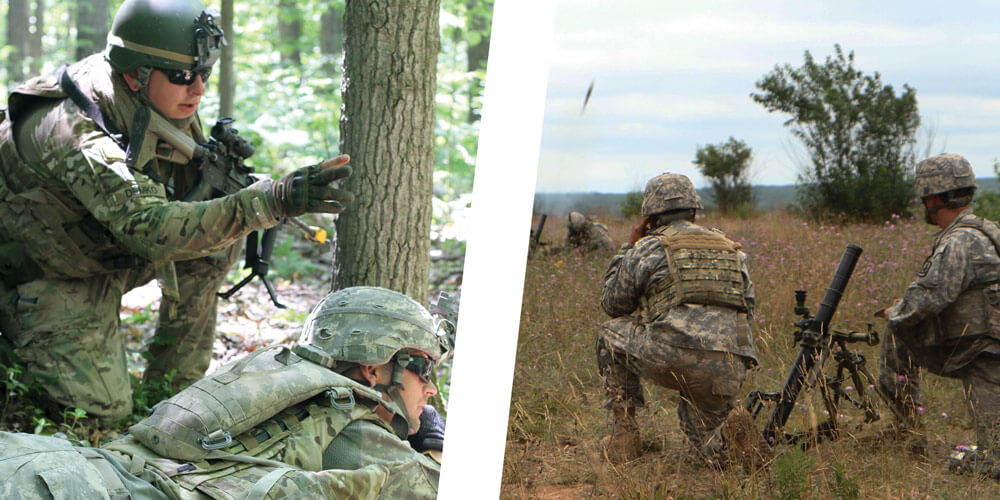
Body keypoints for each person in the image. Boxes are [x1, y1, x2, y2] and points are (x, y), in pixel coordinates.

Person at [0, 0, 354, 424]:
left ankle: (171, 394)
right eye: (184, 76)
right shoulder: (76, 129)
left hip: (96, 249)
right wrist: (267, 201)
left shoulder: (157, 98)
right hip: (41, 271)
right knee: (98, 415)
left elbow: (186, 203)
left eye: (205, 73)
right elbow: (148, 228)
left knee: (216, 239)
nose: (199, 88)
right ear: (136, 72)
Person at [0, 286, 451, 499]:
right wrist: (434, 445)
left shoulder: (273, 368)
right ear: (375, 368)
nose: (430, 387)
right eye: (422, 368)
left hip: (55, 463)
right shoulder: (351, 421)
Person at [596, 172, 758, 464]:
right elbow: (747, 309)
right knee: (709, 449)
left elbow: (613, 304)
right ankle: (730, 436)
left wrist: (627, 249)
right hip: (729, 364)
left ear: (650, 218)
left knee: (611, 333)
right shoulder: (732, 249)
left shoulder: (646, 248)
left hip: (672, 356)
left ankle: (625, 436)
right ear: (695, 211)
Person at [875, 154, 1000, 478]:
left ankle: (909, 433)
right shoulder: (986, 231)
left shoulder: (959, 241)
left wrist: (896, 312)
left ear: (932, 197)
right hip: (984, 346)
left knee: (994, 461)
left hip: (981, 349)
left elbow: (931, 295)